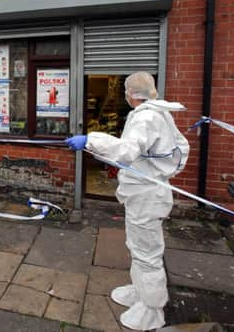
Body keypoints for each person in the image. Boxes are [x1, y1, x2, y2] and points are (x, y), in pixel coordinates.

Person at [65, 72, 189, 331]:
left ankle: (152, 309)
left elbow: (127, 151)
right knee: (137, 245)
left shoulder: (146, 117)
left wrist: (91, 139)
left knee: (147, 251)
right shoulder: (155, 113)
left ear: (133, 93)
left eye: (126, 90)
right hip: (143, 193)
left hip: (147, 195)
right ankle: (141, 291)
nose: (124, 94)